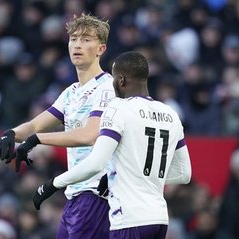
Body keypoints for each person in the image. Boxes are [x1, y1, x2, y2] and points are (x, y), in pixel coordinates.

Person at [33, 51, 192, 239]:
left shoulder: (118, 109)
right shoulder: (170, 114)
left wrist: (53, 184)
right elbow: (184, 174)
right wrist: (137, 177)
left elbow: (96, 163)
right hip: (159, 219)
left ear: (121, 80)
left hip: (129, 220)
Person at [0, 13, 114, 238]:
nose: (77, 45)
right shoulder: (71, 92)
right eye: (74, 39)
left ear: (101, 49)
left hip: (97, 192)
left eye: (86, 39)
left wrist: (37, 140)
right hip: (75, 194)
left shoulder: (108, 88)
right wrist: (11, 133)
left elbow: (89, 135)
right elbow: (35, 125)